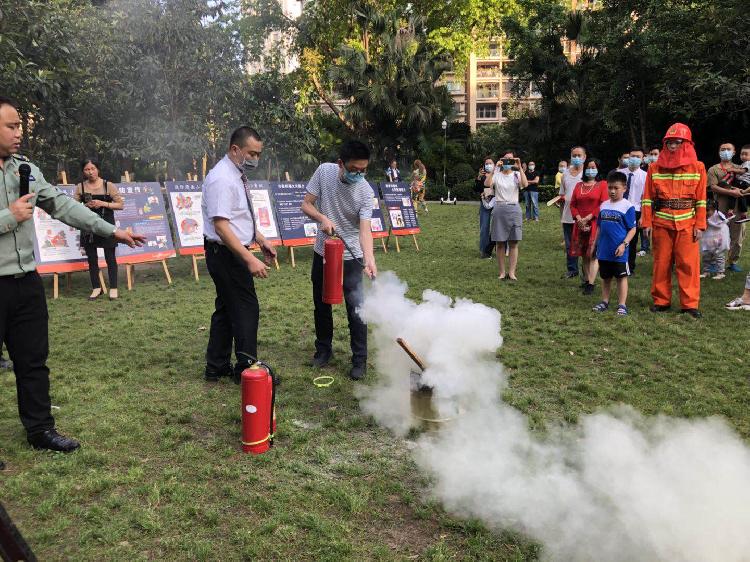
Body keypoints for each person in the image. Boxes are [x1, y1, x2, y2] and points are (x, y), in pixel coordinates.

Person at [0, 96, 145, 452]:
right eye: (12, 126)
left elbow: (64, 207)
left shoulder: (26, 170)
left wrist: (112, 231)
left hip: (26, 282)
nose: (20, 132)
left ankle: (40, 431)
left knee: (33, 361)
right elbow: (14, 216)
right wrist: (8, 217)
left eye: (20, 125)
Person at [201, 126, 278, 383]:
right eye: (251, 153)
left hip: (230, 250)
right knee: (246, 307)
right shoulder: (222, 178)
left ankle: (216, 365)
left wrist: (261, 239)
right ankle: (247, 369)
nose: (255, 158)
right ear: (235, 149)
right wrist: (248, 258)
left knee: (226, 308)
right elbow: (222, 227)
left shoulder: (236, 174)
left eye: (258, 154)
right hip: (225, 253)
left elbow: (238, 217)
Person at [301, 140, 377, 381]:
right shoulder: (324, 172)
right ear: (340, 164)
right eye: (354, 169)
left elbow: (365, 230)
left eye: (363, 170)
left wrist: (369, 258)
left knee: (356, 309)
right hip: (323, 252)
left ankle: (359, 360)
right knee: (321, 303)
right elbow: (306, 203)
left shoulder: (365, 192)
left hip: (351, 255)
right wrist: (322, 217)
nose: (359, 175)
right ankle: (323, 350)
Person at [641, 123, 707, 318]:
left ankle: (690, 304)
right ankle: (661, 301)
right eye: (669, 143)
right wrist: (646, 223)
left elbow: (702, 199)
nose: (672, 146)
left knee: (689, 265)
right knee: (661, 263)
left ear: (686, 144)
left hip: (688, 224)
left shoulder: (698, 167)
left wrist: (700, 225)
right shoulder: (654, 167)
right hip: (661, 223)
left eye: (677, 142)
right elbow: (646, 198)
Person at [74, 158, 124, 300]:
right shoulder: (80, 187)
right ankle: (96, 288)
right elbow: (74, 207)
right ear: (83, 171)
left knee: (110, 257)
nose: (90, 172)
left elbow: (120, 205)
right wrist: (85, 206)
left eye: (93, 169)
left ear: (98, 169)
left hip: (107, 224)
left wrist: (103, 203)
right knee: (92, 258)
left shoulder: (109, 185)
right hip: (88, 226)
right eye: (87, 169)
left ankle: (113, 288)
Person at [592, 171, 637, 316]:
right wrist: (594, 243)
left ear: (624, 188)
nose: (612, 191)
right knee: (606, 278)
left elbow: (632, 229)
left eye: (616, 188)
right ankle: (604, 301)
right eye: (610, 187)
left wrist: (624, 244)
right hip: (604, 250)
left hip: (619, 251)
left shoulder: (627, 206)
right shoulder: (604, 205)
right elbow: (599, 226)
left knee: (621, 277)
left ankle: (622, 304)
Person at [484, 150, 528, 281]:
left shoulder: (516, 174)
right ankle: (502, 272)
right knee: (500, 242)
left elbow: (525, 184)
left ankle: (512, 272)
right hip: (499, 208)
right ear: (501, 160)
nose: (508, 161)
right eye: (505, 159)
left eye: (511, 159)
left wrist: (520, 167)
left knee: (514, 242)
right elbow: (487, 184)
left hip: (514, 208)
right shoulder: (497, 174)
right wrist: (494, 169)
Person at [569, 158, 608, 295]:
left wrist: (589, 217)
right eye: (588, 167)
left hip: (594, 222)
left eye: (593, 167)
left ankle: (591, 283)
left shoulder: (602, 185)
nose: (590, 170)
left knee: (593, 253)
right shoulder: (579, 185)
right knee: (584, 253)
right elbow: (573, 204)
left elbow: (603, 204)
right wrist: (579, 218)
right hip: (580, 223)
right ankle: (586, 280)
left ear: (598, 169)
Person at [707, 142, 745, 272]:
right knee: (716, 236)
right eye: (722, 149)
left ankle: (733, 261)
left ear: (734, 152)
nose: (725, 151)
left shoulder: (740, 168)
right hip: (720, 207)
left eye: (728, 149)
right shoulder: (713, 169)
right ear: (719, 152)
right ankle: (713, 263)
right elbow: (713, 187)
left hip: (738, 208)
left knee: (737, 235)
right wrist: (731, 192)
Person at [560, 146, 586, 278]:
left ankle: (586, 272)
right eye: (574, 155)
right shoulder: (565, 174)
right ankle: (572, 269)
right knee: (570, 245)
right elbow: (563, 195)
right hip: (567, 216)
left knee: (584, 244)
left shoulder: (587, 174)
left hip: (584, 217)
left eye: (579, 155)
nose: (576, 158)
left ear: (584, 157)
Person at [622, 148, 648, 273]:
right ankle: (617, 264)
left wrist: (643, 216)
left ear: (643, 159)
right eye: (632, 156)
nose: (634, 159)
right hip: (620, 209)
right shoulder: (620, 173)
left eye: (638, 157)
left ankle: (629, 267)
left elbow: (645, 198)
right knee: (618, 237)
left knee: (632, 241)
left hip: (636, 211)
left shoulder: (645, 176)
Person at [700, 200, 729, 280]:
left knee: (719, 255)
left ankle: (720, 272)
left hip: (719, 237)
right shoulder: (705, 216)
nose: (706, 212)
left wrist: (710, 222)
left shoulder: (719, 214)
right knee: (706, 255)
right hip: (708, 238)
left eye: (708, 210)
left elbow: (724, 222)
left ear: (714, 209)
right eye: (705, 210)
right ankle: (706, 271)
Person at [474, 156, 496, 258]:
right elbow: (476, 189)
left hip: (497, 203)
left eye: (490, 163)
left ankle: (502, 248)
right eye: (486, 163)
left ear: (494, 164)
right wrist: (478, 178)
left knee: (498, 227)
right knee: (484, 228)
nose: (488, 165)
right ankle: (484, 250)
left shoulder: (498, 175)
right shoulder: (482, 176)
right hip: (484, 204)